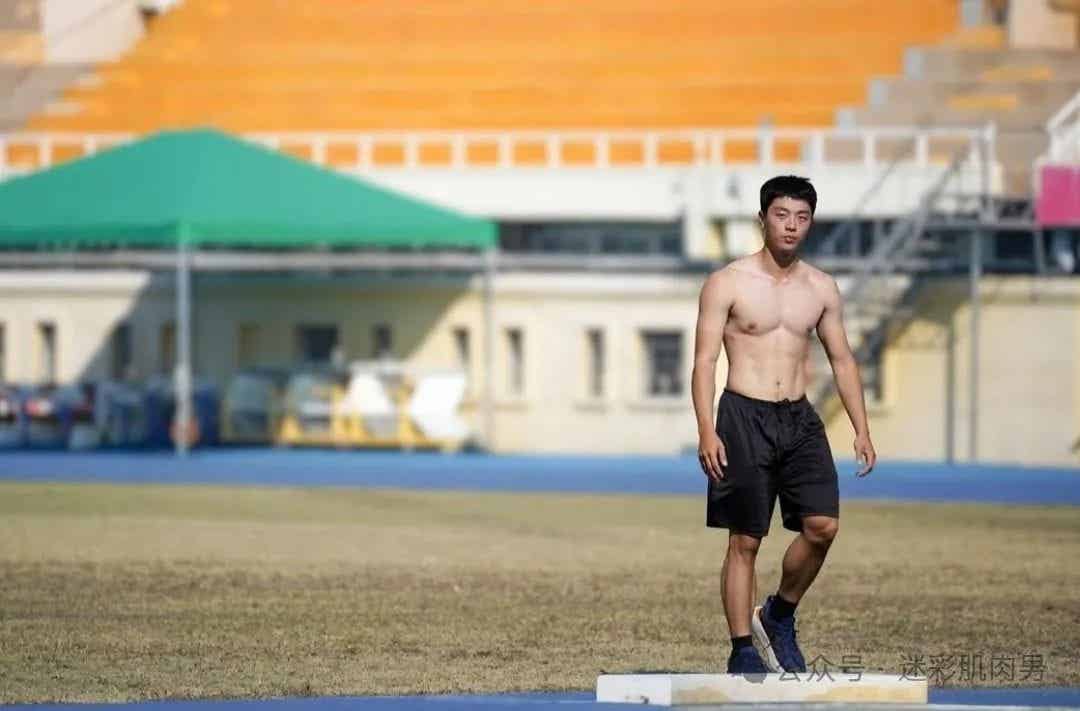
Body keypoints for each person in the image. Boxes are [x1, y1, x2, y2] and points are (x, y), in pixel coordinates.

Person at [690, 175, 877, 675]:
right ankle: (741, 649)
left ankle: (778, 615)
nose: (791, 225)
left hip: (798, 418)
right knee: (745, 539)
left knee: (823, 526)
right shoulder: (727, 282)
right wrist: (706, 428)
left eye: (802, 217)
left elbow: (843, 360)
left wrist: (861, 428)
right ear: (763, 219)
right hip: (742, 415)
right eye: (781, 215)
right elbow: (705, 361)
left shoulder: (821, 288)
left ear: (811, 222)